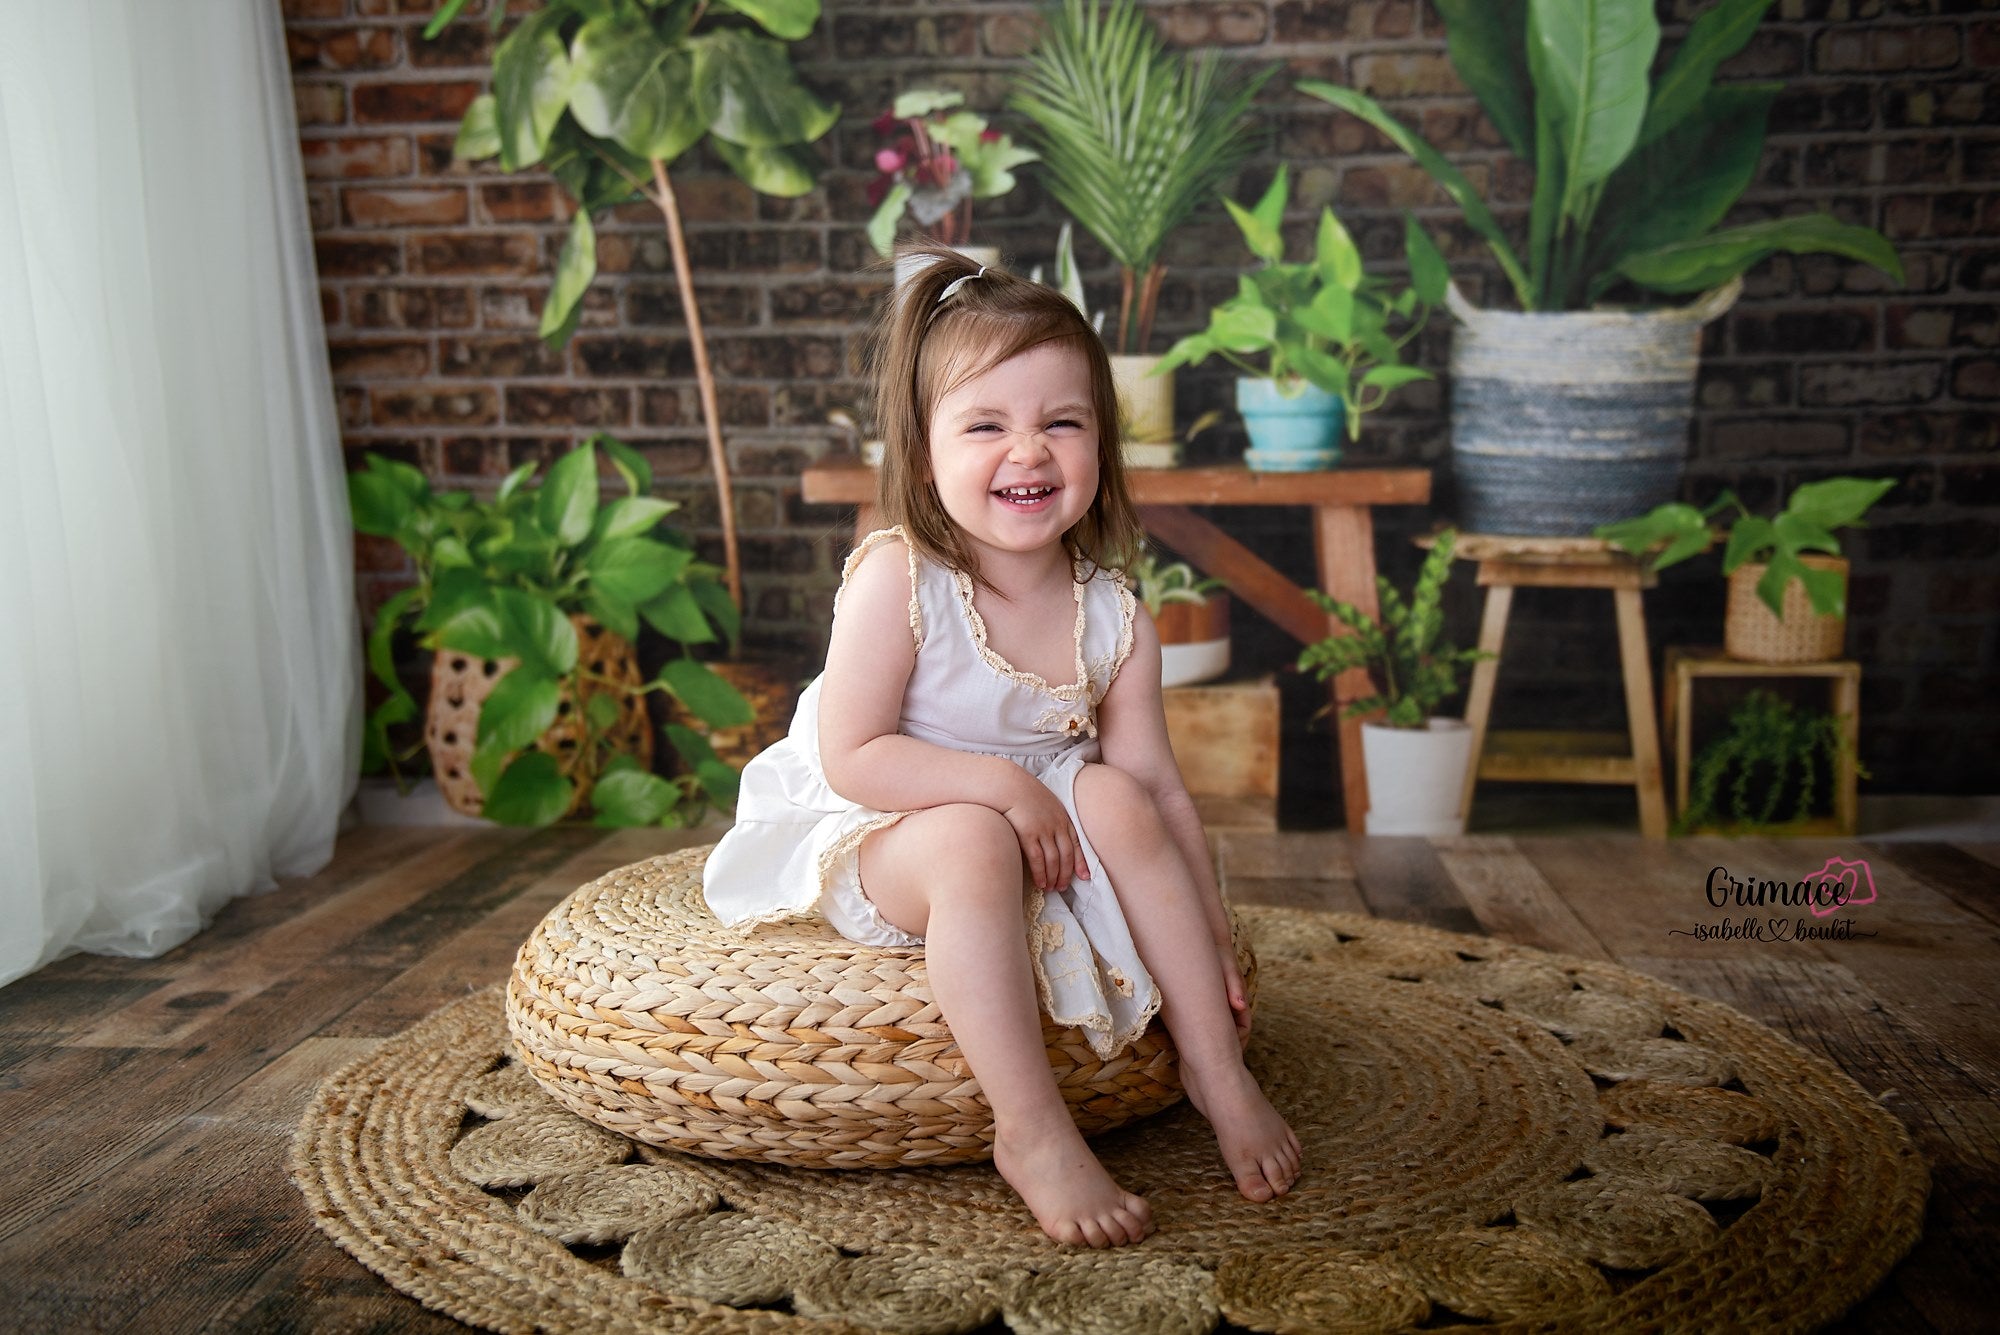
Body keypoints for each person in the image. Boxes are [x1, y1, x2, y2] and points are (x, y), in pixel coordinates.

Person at [703, 243, 1301, 1248]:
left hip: (1040, 822)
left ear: (1100, 444)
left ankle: (1214, 1067)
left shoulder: (1113, 616)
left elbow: (1160, 793)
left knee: (1116, 795)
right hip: (888, 819)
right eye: (985, 425)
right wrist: (1001, 789)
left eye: (1061, 423)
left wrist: (1209, 928)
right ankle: (1030, 1129)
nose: (1028, 451)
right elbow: (854, 754)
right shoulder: (899, 580)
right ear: (922, 451)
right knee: (975, 837)